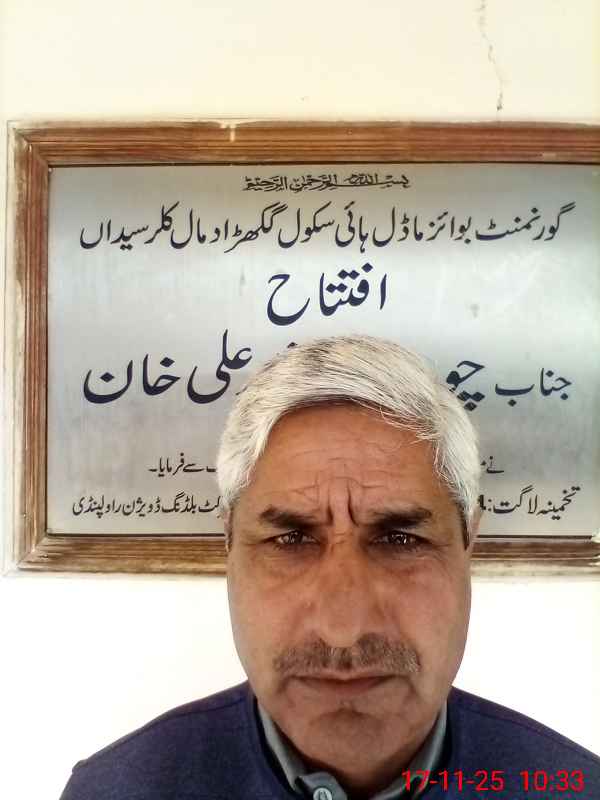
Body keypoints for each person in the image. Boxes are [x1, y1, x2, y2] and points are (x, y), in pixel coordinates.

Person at [61, 335, 600, 799]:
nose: (344, 629)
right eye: (291, 539)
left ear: (468, 545)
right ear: (229, 546)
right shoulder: (118, 789)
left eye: (400, 539)